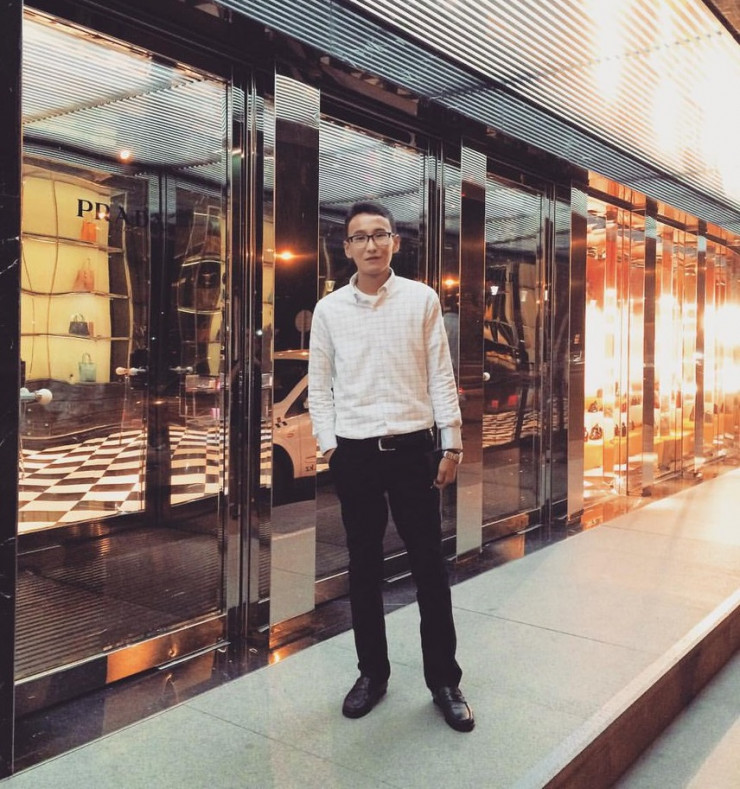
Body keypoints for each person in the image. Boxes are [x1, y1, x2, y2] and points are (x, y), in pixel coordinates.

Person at [308, 201, 474, 732]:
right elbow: (319, 387)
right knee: (364, 569)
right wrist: (330, 448)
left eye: (380, 234)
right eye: (360, 237)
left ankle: (444, 681)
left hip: (412, 451)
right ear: (347, 248)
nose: (371, 245)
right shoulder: (329, 310)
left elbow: (441, 376)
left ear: (395, 242)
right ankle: (371, 674)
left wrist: (451, 445)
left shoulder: (421, 299)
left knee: (429, 568)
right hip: (355, 453)